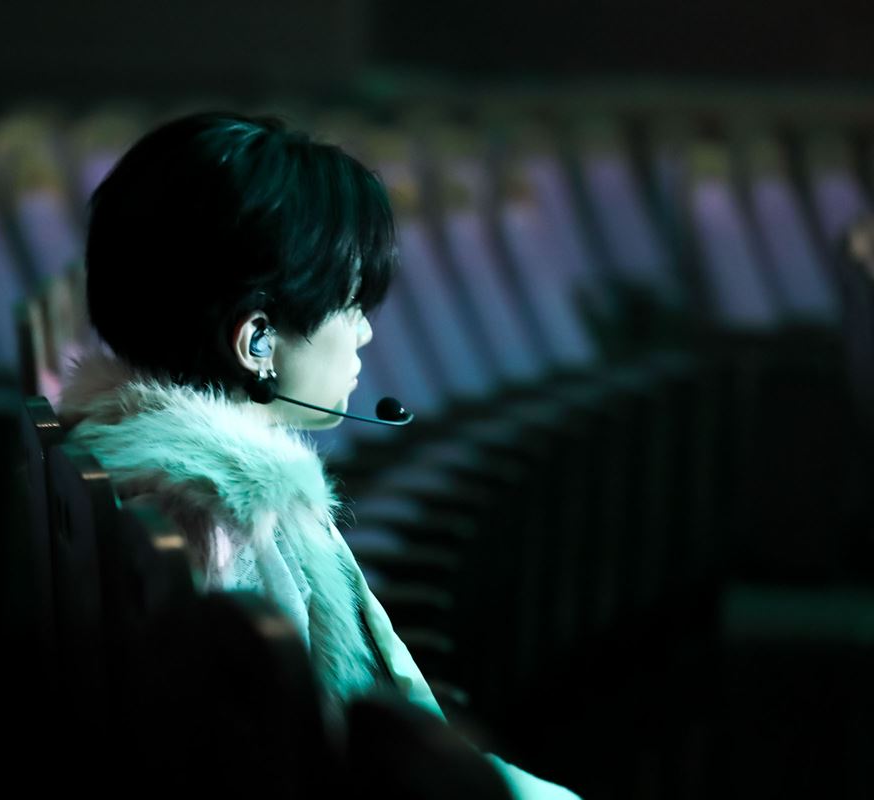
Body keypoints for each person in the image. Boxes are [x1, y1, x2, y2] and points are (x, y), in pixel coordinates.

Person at [57, 110, 579, 800]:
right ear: (257, 342)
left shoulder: (144, 466)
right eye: (350, 304)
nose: (365, 333)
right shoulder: (232, 521)